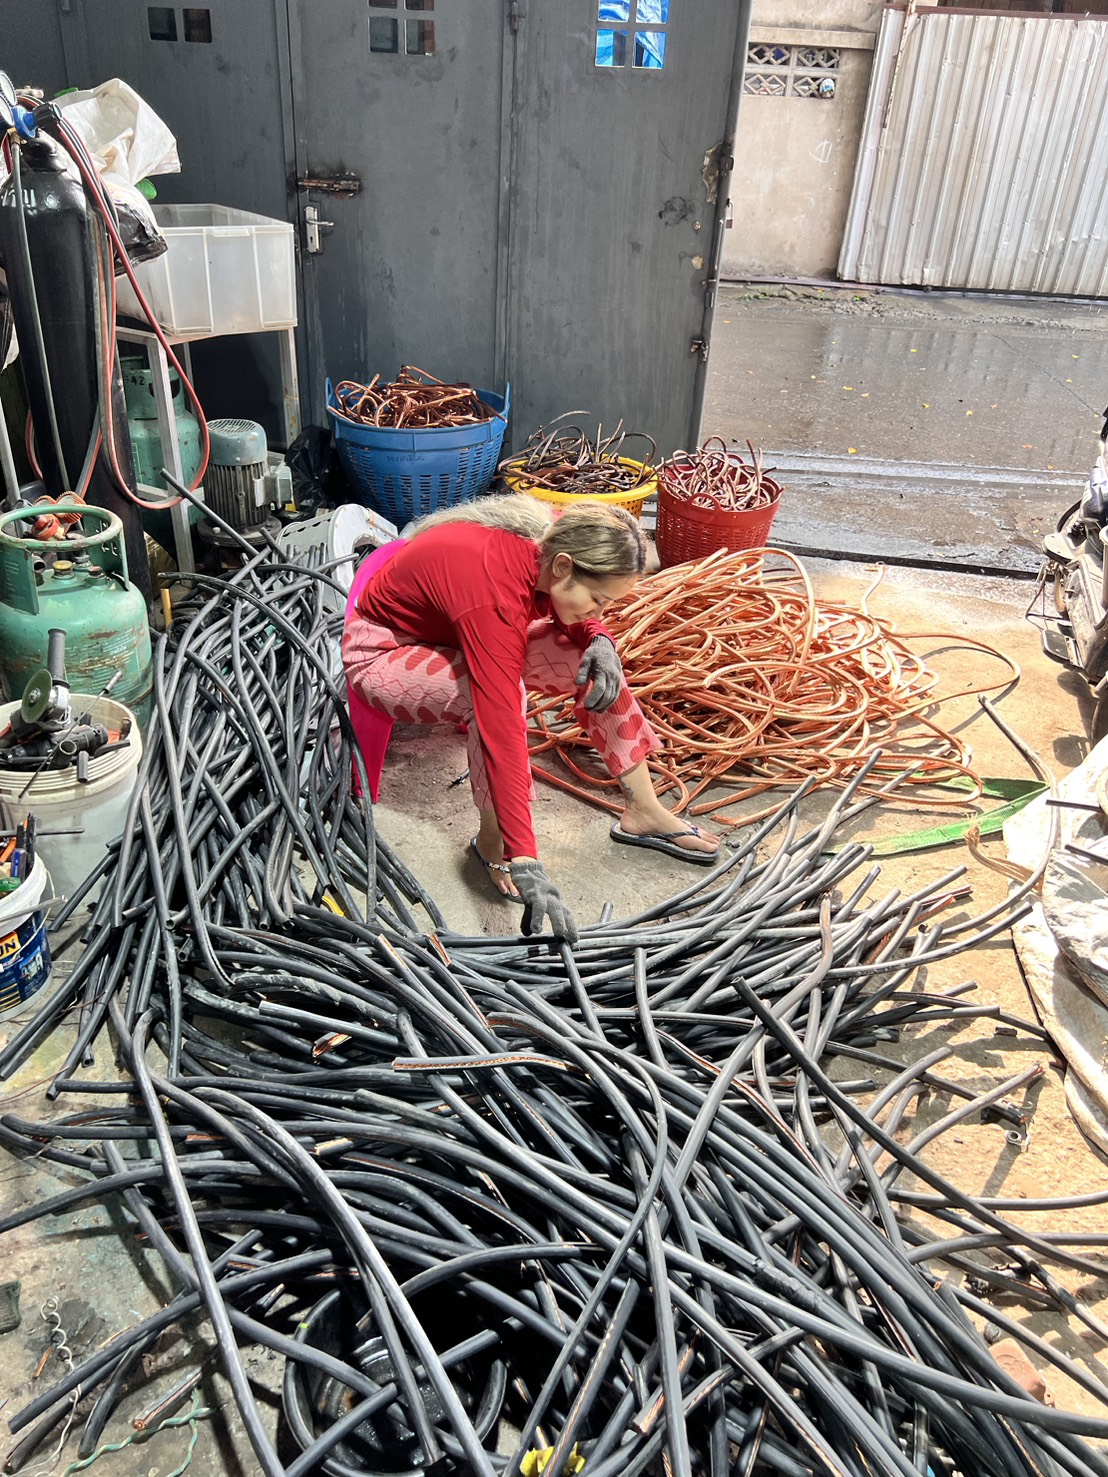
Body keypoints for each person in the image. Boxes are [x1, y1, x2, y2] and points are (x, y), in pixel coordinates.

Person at [342, 493, 720, 943]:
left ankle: (644, 810)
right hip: (383, 652)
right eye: (597, 600)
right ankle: (491, 844)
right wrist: (525, 855)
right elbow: (500, 722)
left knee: (595, 665)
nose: (599, 611)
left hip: (450, 631)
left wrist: (598, 637)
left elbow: (575, 617)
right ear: (562, 567)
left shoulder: (557, 535)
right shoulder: (495, 592)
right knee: (494, 700)